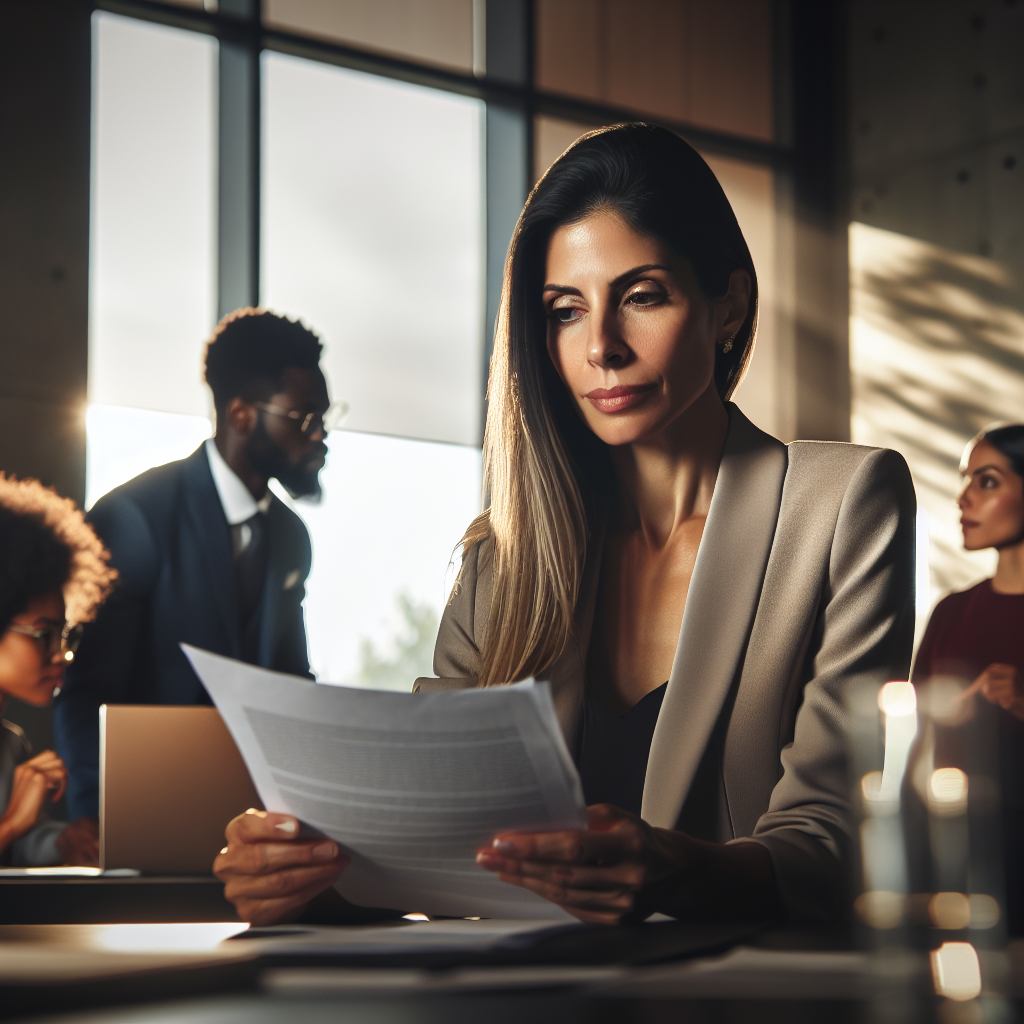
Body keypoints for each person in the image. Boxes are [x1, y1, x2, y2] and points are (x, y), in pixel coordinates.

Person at [214, 124, 916, 927]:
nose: (601, 348)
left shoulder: (845, 502)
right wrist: (312, 875)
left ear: (730, 306)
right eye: (564, 311)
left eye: (643, 296)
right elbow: (438, 842)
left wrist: (674, 869)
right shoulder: (502, 555)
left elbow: (831, 839)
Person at [56, 308, 343, 825]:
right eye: (304, 417)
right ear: (241, 415)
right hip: (145, 818)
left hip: (252, 825)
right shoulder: (135, 518)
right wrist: (96, 825)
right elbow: (89, 695)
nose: (321, 434)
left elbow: (291, 685)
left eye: (325, 417)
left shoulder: (291, 538)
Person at [912, 424, 1024, 932]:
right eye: (966, 480)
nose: (963, 499)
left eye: (988, 481)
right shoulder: (951, 614)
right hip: (955, 870)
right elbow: (903, 748)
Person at [0, 475, 114, 865]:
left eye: (65, 635)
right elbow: (12, 834)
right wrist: (12, 823)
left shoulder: (11, 746)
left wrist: (62, 841)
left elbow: (16, 853)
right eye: (43, 635)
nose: (62, 655)